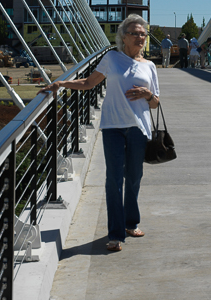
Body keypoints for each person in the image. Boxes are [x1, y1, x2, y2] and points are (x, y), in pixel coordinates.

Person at [40, 14, 159, 252]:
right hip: (113, 126)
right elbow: (88, 84)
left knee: (134, 177)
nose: (140, 37)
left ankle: (130, 223)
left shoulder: (150, 66)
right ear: (123, 37)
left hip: (138, 129)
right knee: (113, 180)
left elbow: (156, 103)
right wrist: (62, 84)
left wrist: (148, 95)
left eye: (143, 34)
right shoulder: (112, 58)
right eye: (135, 33)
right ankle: (115, 234)